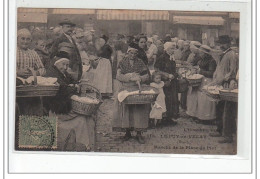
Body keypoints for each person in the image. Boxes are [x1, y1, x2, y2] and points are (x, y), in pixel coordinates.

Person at [44, 57, 95, 151]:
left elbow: (72, 82)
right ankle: (83, 146)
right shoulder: (52, 74)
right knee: (84, 117)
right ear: (56, 63)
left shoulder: (62, 73)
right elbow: (61, 89)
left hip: (64, 105)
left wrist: (75, 85)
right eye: (63, 64)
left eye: (67, 65)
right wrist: (73, 87)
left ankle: (84, 146)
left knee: (86, 118)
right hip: (57, 109)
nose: (65, 67)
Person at [112, 47, 150, 144]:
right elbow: (118, 76)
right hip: (126, 88)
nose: (133, 55)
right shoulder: (122, 62)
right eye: (131, 53)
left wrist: (140, 78)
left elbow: (147, 76)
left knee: (138, 110)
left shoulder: (140, 62)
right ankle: (127, 132)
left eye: (135, 53)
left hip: (137, 88)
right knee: (126, 110)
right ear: (127, 53)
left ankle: (139, 133)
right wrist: (130, 77)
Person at [209, 35, 239, 140]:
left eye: (221, 44)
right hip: (221, 83)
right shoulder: (224, 53)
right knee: (220, 108)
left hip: (227, 84)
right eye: (219, 44)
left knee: (227, 111)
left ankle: (228, 135)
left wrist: (227, 80)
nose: (220, 46)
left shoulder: (231, 54)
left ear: (227, 44)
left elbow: (232, 71)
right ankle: (220, 130)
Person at [16, 28, 46, 116]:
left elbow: (42, 69)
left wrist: (36, 73)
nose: (25, 41)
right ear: (17, 39)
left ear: (31, 41)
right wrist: (17, 72)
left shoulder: (33, 53)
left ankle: (31, 127)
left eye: (28, 39)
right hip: (16, 89)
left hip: (32, 89)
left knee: (34, 108)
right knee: (18, 109)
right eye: (22, 38)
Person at [186, 45, 217, 122]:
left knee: (205, 99)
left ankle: (206, 117)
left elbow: (211, 73)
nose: (200, 54)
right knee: (199, 99)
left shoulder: (211, 61)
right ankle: (199, 115)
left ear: (205, 53)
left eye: (201, 53)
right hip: (201, 80)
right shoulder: (201, 59)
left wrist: (200, 71)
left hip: (207, 81)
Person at [154, 42, 179, 124]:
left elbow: (173, 70)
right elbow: (157, 70)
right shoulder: (162, 58)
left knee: (172, 99)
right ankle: (164, 118)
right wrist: (167, 75)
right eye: (172, 48)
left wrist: (175, 75)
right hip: (165, 82)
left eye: (174, 48)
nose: (173, 50)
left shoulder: (171, 57)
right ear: (167, 49)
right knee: (166, 99)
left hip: (172, 81)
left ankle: (169, 117)